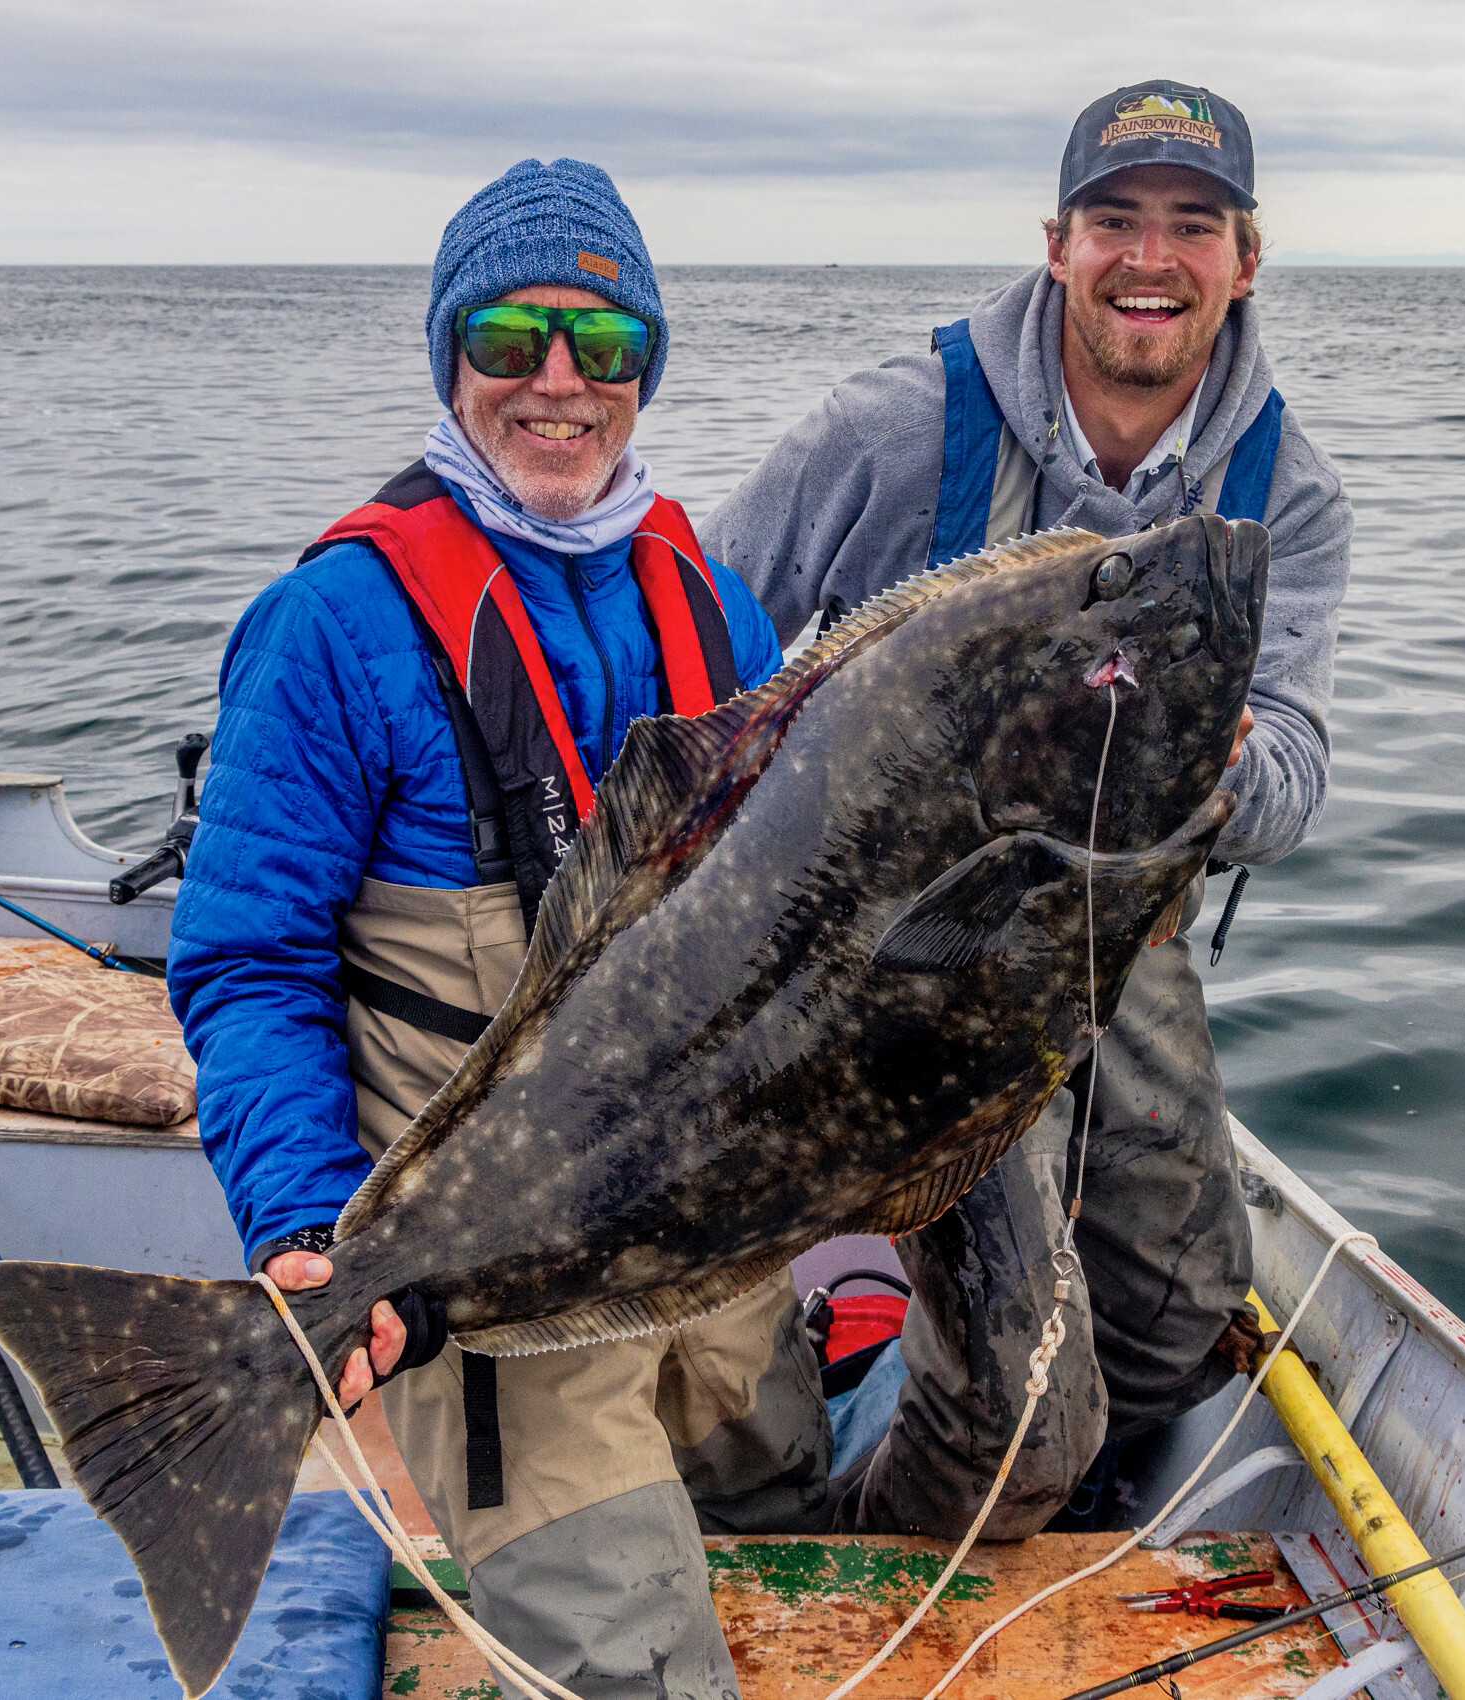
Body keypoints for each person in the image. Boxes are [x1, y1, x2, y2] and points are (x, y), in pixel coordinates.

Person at [166, 159, 787, 1700]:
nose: (559, 384)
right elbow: (248, 961)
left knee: (791, 1526)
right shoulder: (330, 628)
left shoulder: (715, 603)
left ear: (649, 367)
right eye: (509, 337)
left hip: (716, 1257)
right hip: (495, 1294)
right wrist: (308, 1222)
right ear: (449, 357)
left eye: (607, 345)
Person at [700, 80, 1353, 1517]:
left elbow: (1294, 773)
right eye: (1116, 220)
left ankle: (951, 1435)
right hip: (891, 954)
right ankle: (854, 1517)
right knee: (1022, 1403)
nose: (1150, 258)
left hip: (1117, 928)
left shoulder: (1281, 494)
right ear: (1058, 243)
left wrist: (1216, 759)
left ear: (1248, 257)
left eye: (1195, 225)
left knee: (1182, 1316)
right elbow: (699, 650)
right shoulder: (889, 430)